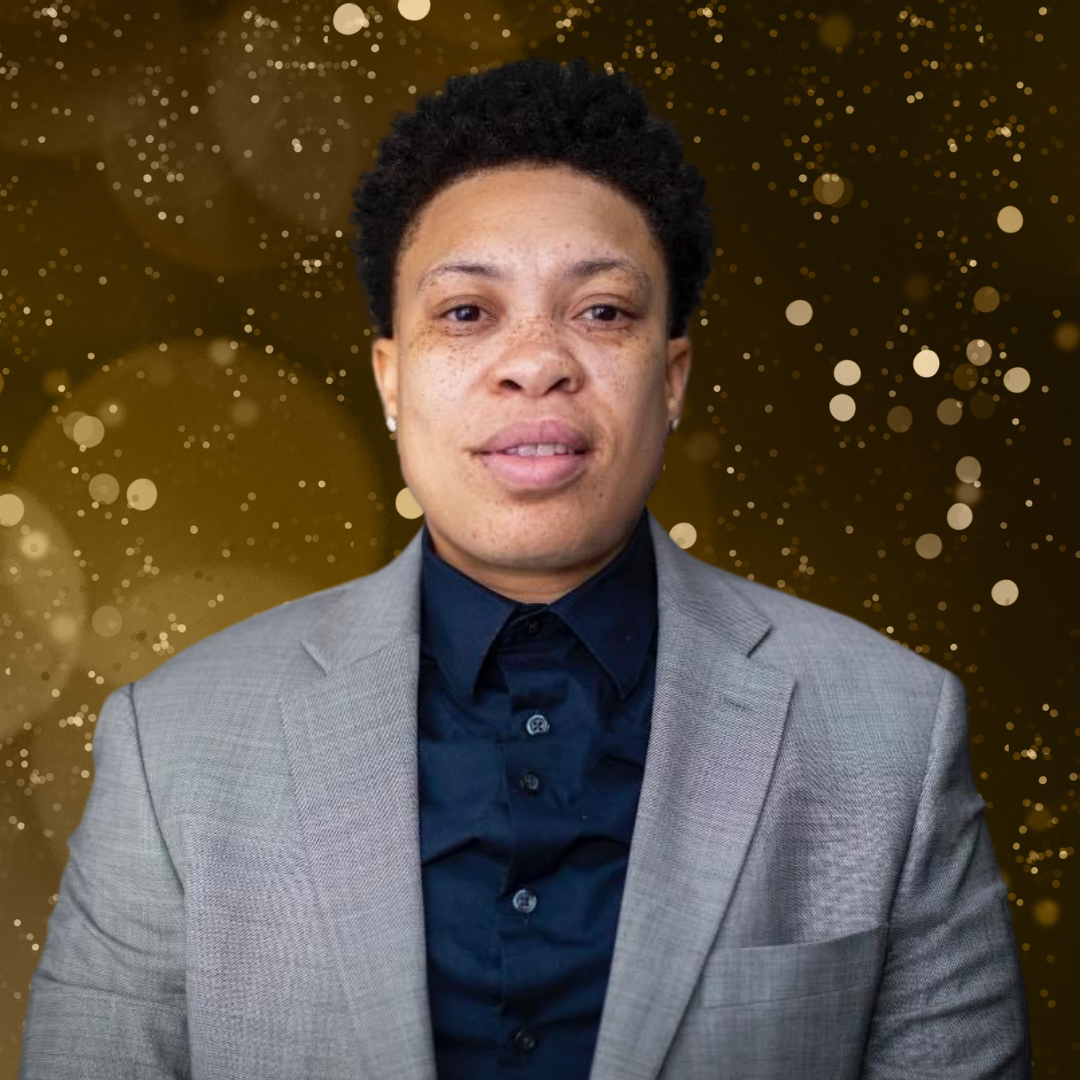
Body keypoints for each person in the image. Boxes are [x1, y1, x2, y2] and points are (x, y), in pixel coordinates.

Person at [19, 57, 1031, 1080]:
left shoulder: (892, 734)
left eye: (603, 312)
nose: (537, 360)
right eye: (467, 312)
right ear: (390, 379)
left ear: (672, 377)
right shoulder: (173, 744)